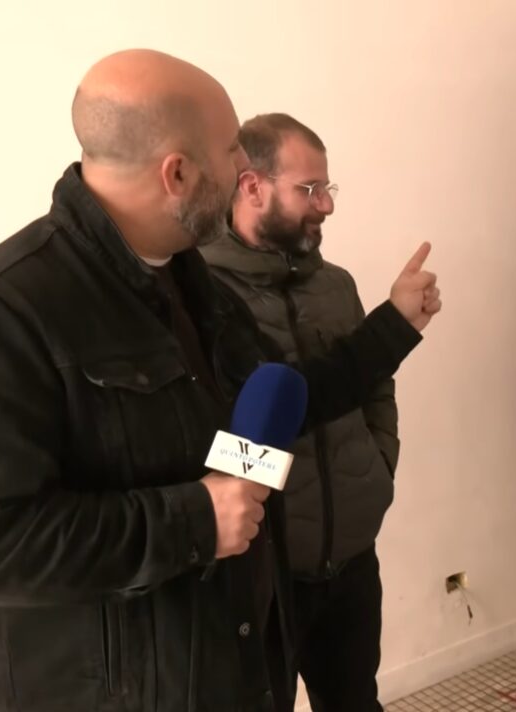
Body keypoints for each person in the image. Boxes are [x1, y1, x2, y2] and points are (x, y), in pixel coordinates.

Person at [0, 49, 441, 712]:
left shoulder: (197, 291)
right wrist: (193, 522)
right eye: (231, 151)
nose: (241, 171)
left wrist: (394, 331)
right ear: (177, 173)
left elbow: (269, 414)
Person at [200, 113, 396, 711]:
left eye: (327, 188)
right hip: (263, 575)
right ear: (252, 186)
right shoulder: (202, 295)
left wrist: (380, 468)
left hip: (352, 561)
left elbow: (373, 387)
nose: (326, 205)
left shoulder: (337, 285)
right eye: (310, 189)